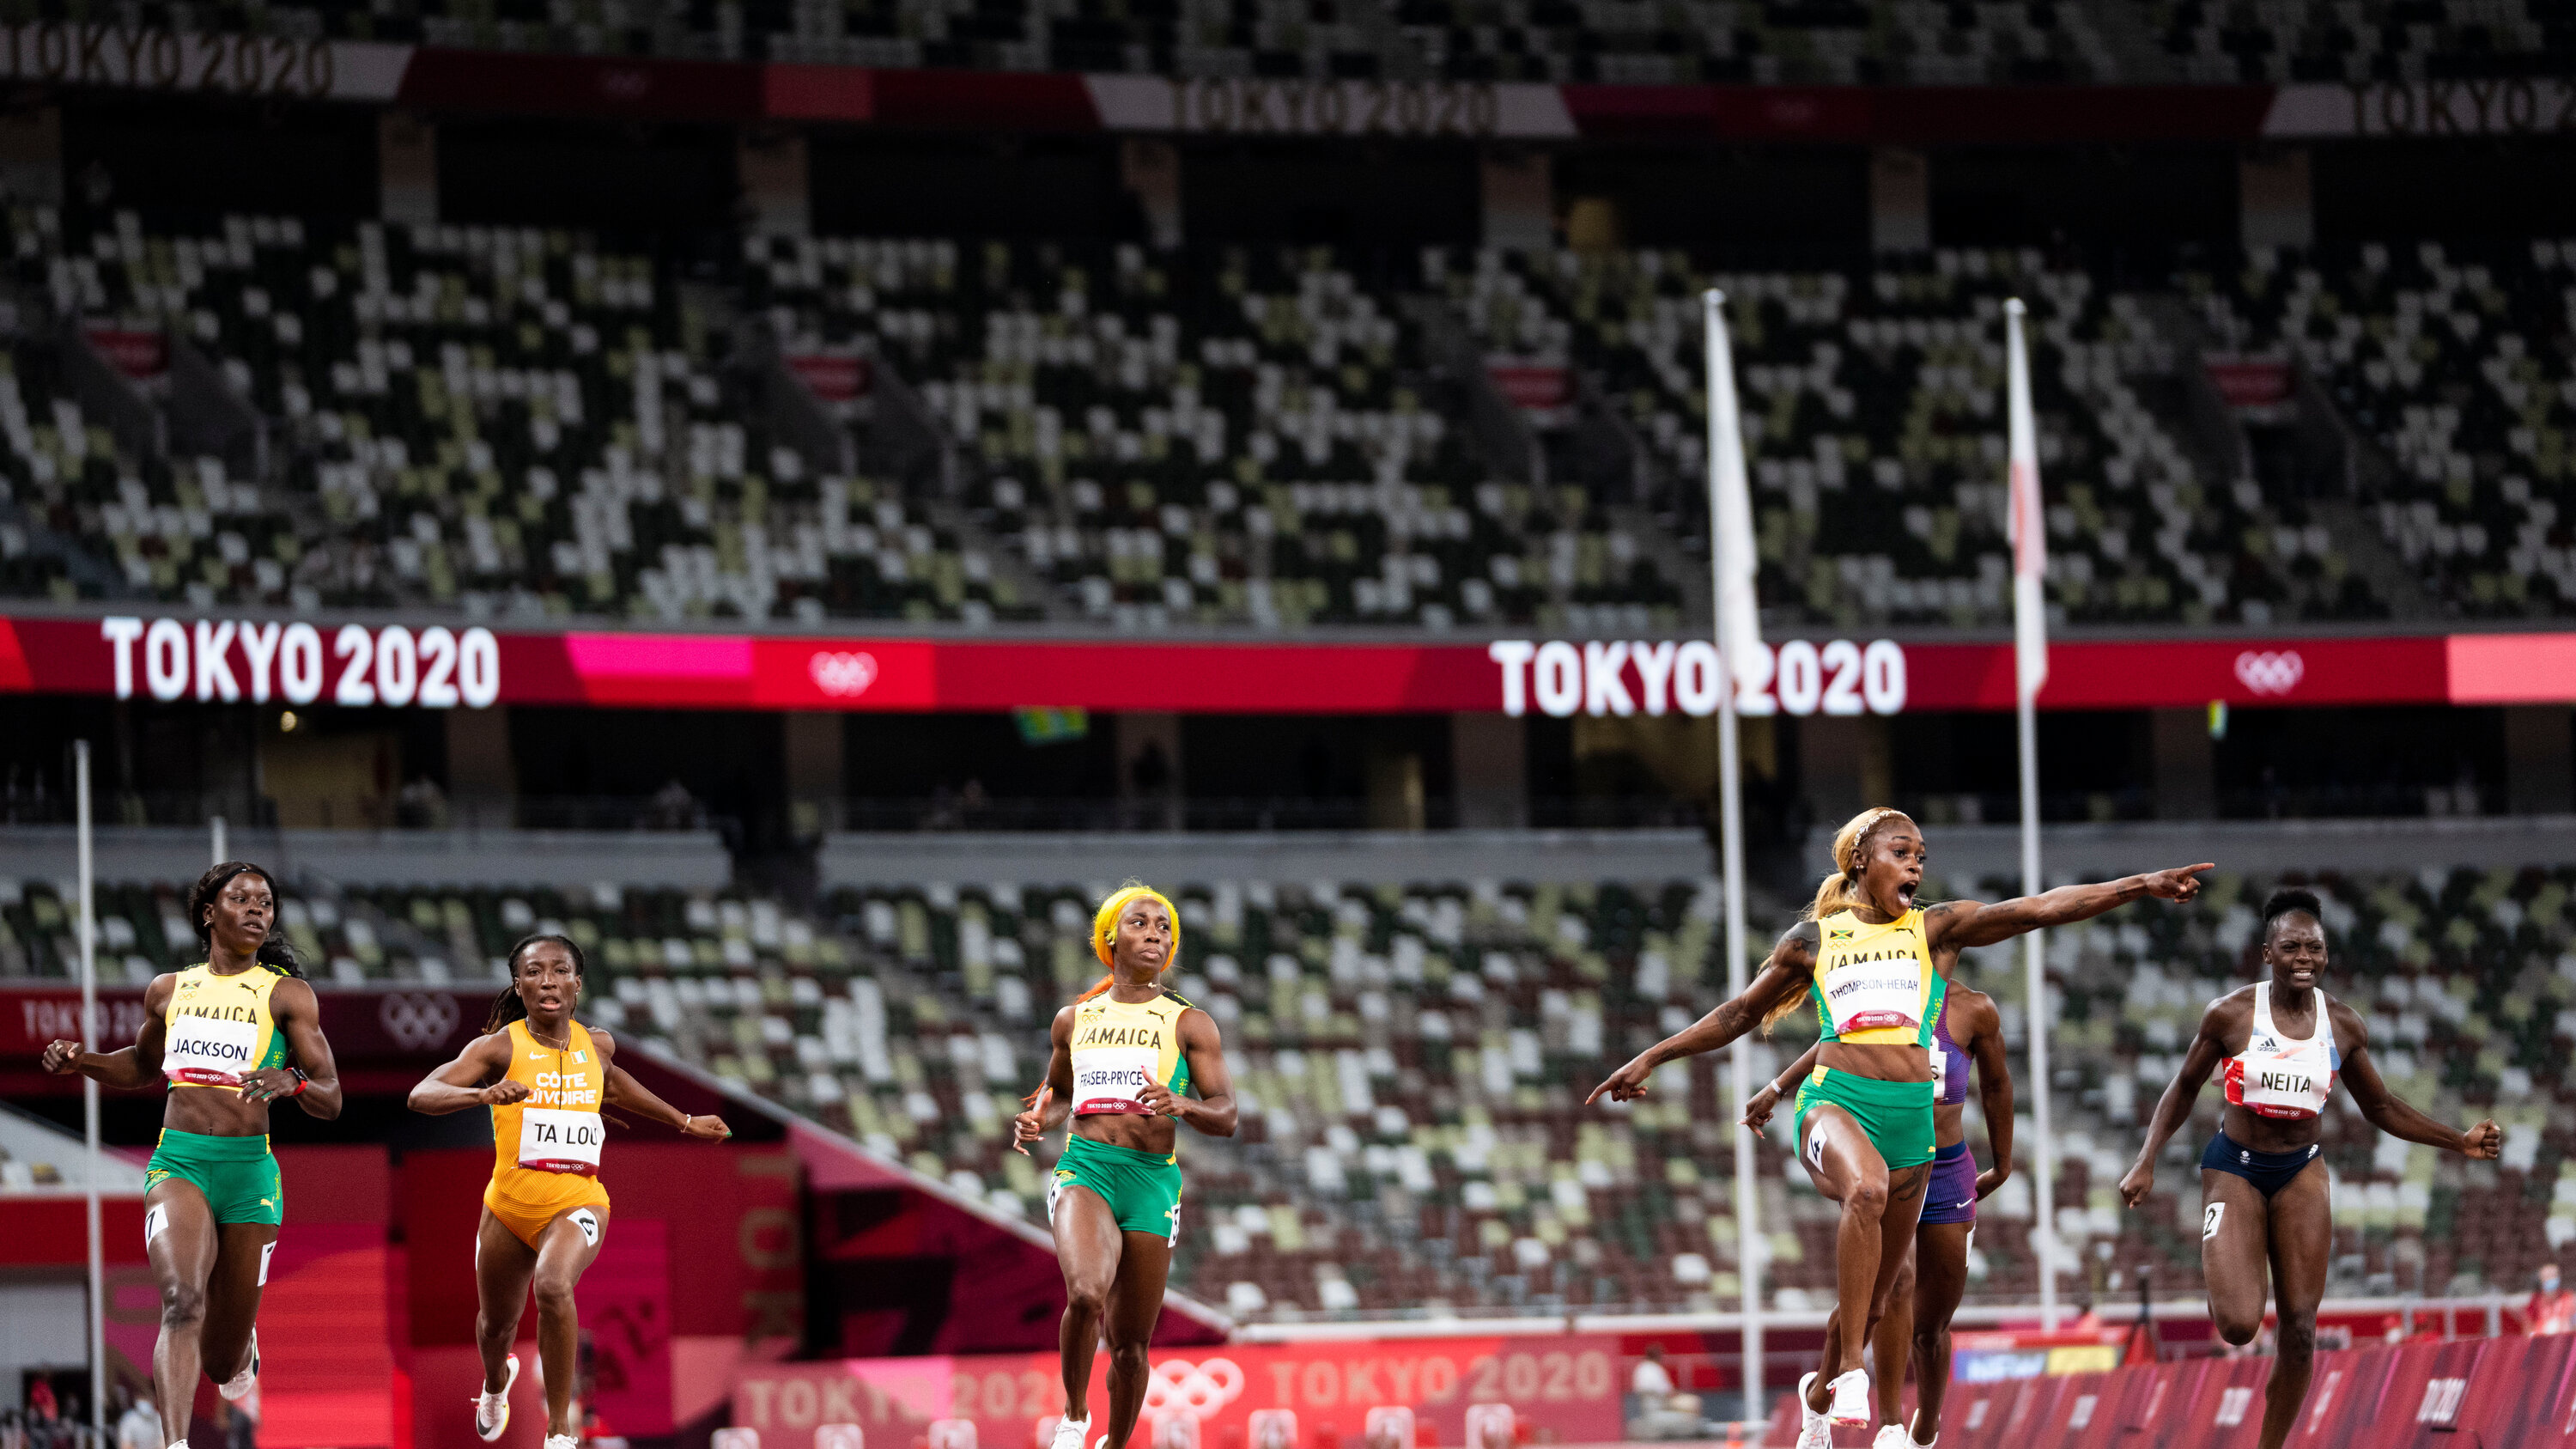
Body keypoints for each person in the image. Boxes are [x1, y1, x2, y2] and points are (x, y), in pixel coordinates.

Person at [1589, 807, 2209, 1444]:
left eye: (1921, 856)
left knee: (1887, 1296)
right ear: (1861, 860)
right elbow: (1738, 1012)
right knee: (1865, 1188)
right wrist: (1654, 1055)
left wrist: (2140, 885)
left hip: (1913, 1121)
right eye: (1902, 851)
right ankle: (1853, 1375)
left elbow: (2039, 908)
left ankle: (1818, 1393)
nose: (1916, 863)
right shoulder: (1814, 939)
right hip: (1836, 1100)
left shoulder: (1934, 929)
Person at [2118, 886, 2502, 1449]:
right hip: (2235, 1168)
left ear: (2326, 955)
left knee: (2300, 1329)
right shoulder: (2230, 1015)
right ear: (2268, 952)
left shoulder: (2342, 1025)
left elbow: (2382, 1106)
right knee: (2239, 1324)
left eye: (2316, 948)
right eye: (2292, 945)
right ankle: (2228, 1270)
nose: (2305, 957)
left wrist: (2458, 1141)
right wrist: (2145, 1158)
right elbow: (2183, 1088)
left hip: (2301, 1171)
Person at [41, 861, 343, 1449]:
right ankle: (175, 1444)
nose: (258, 909)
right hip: (179, 1162)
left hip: (249, 1171)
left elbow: (332, 1097)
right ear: (209, 912)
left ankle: (242, 1342)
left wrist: (294, 1083)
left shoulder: (286, 995)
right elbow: (141, 1063)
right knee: (180, 1300)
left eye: (266, 902)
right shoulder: (169, 989)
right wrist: (86, 1061)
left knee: (223, 1361)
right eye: (242, 899)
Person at [407, 935, 732, 1449]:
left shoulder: (596, 1045)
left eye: (560, 971)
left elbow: (617, 1084)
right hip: (508, 1210)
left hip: (579, 1203)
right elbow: (421, 1094)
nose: (548, 981)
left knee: (554, 1284)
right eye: (534, 972)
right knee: (495, 1328)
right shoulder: (499, 1048)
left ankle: (559, 1430)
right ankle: (496, 1384)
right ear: (520, 985)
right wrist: (482, 1093)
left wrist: (685, 1121)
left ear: (578, 983)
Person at [1744, 959, 2014, 1448]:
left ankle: (1922, 1429)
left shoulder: (1975, 1010)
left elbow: (1997, 1085)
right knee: (1892, 1285)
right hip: (1888, 1156)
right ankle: (1887, 1422)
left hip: (1949, 1167)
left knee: (1933, 1326)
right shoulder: (1882, 999)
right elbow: (1833, 1049)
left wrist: (2004, 1161)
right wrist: (1779, 1087)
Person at [1012, 883, 1236, 1449]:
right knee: (1086, 1293)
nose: (1155, 934)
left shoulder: (1190, 1024)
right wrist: (1042, 1115)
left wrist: (1183, 1103)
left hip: (1152, 1178)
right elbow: (1062, 1092)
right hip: (1086, 1167)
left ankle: (1114, 1443)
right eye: (1140, 923)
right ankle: (1074, 1415)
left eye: (1165, 928)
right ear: (1111, 938)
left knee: (1131, 1345)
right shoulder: (1074, 1018)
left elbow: (1227, 1113)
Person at [2528, 1265, 2576, 1336]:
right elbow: (2528, 1326)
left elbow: (2574, 1322)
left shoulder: (2569, 1298)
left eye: (2554, 1276)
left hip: (2564, 1339)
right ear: (2541, 1280)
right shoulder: (2535, 1301)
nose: (2551, 1279)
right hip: (2542, 1340)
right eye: (2548, 1277)